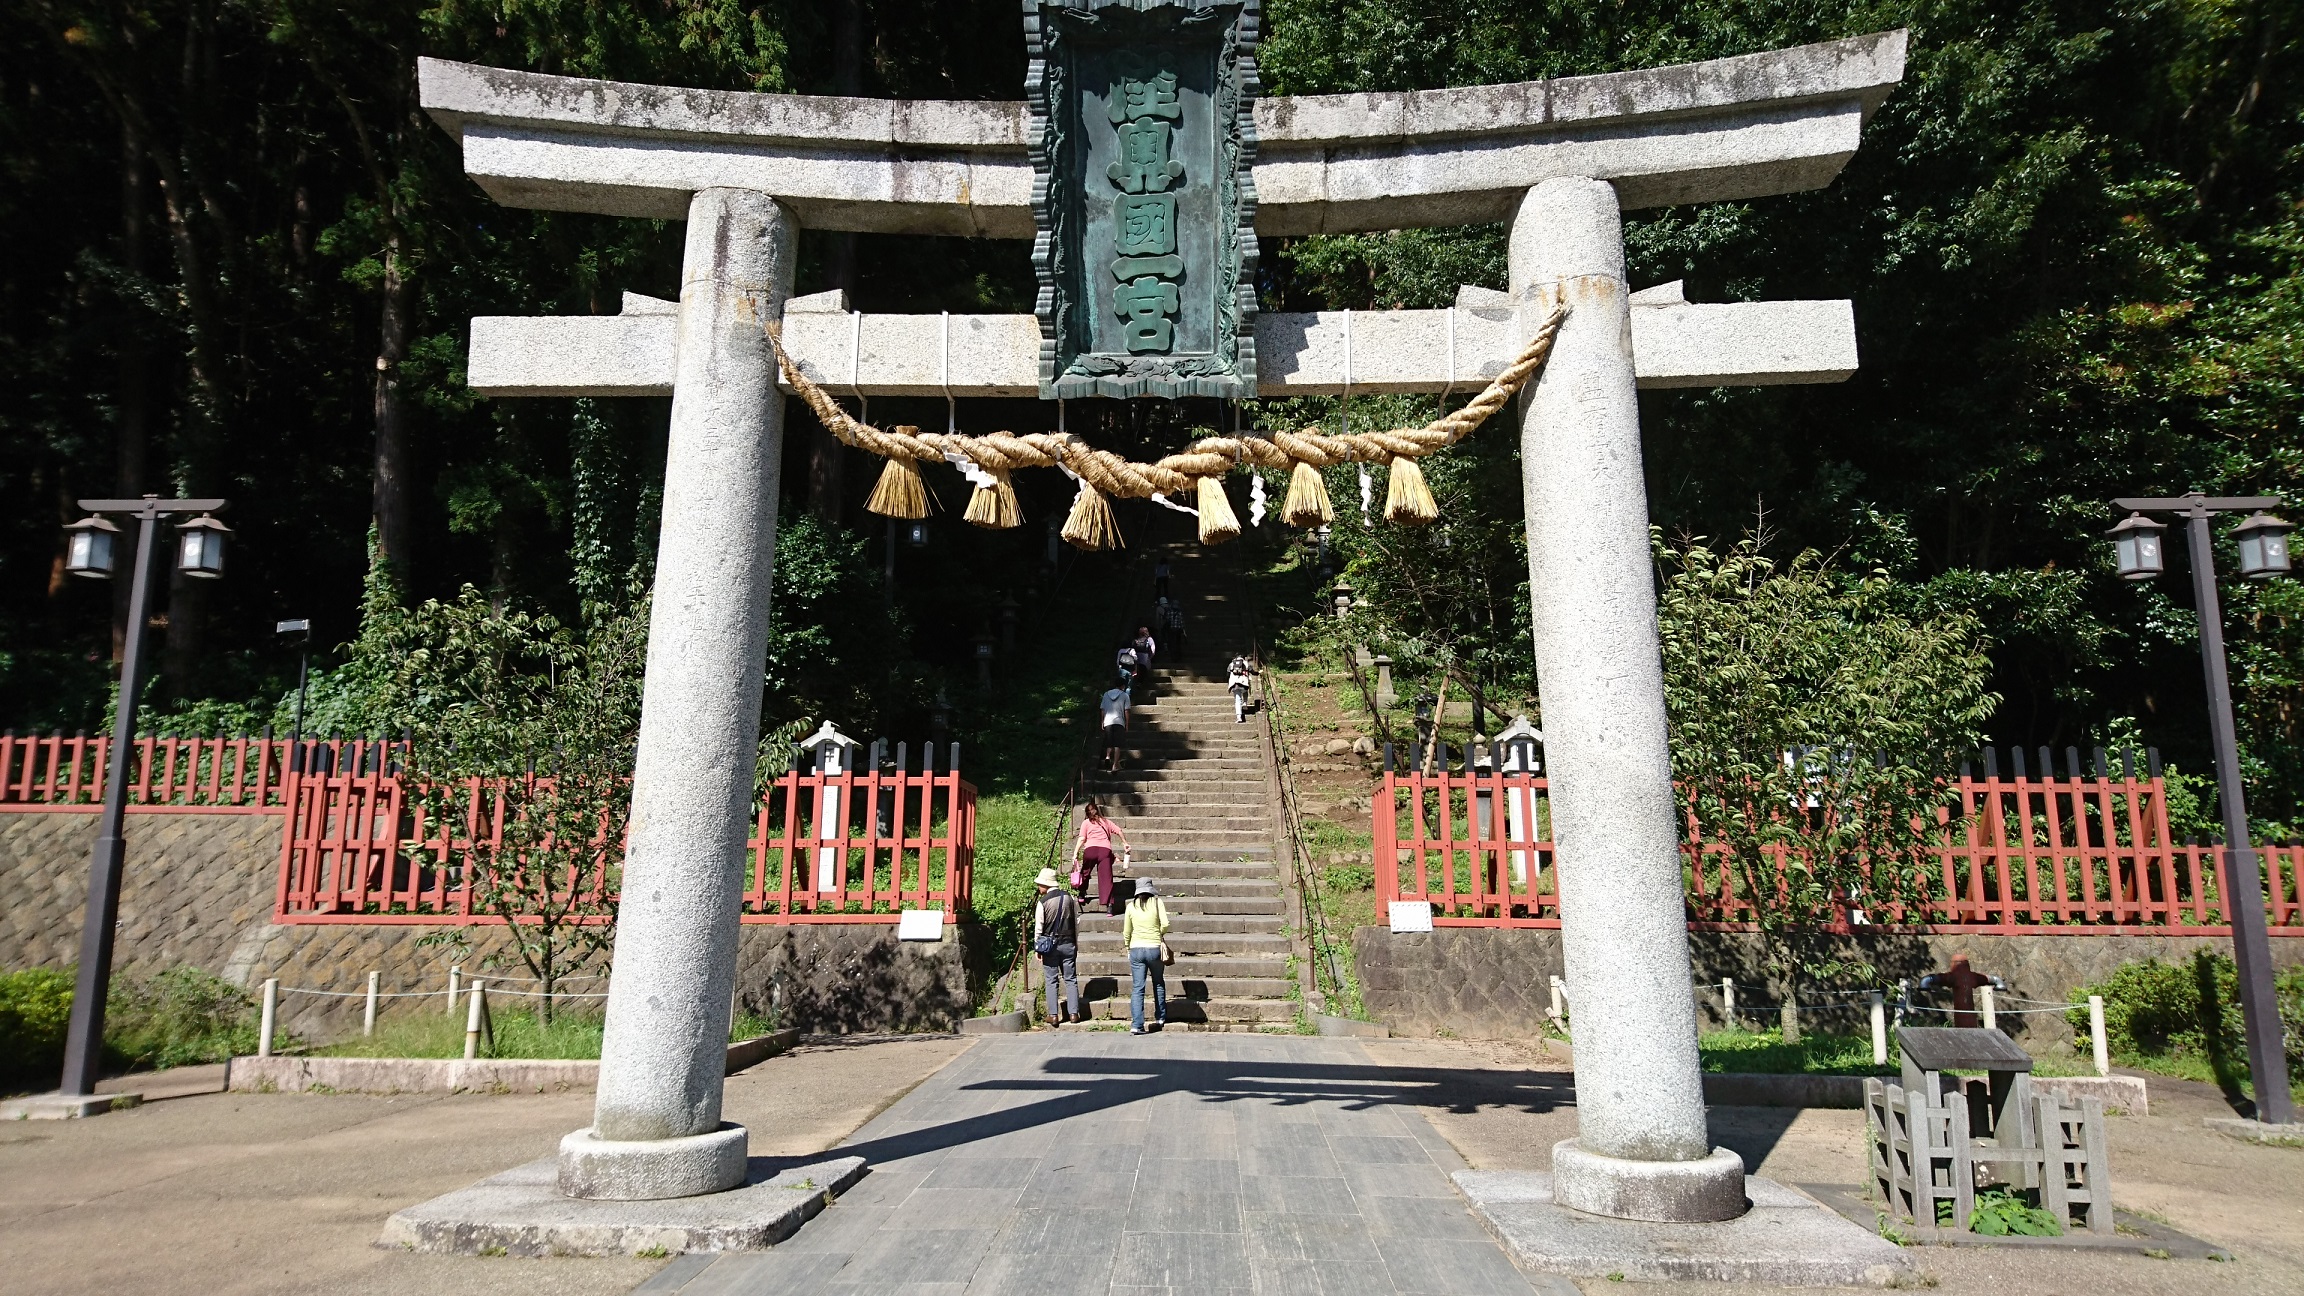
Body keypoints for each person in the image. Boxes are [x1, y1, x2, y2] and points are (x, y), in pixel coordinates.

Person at [1032, 867, 1081, 1025]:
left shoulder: (1043, 902)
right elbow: (1076, 922)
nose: (1039, 887)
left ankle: (1053, 1015)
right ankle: (1074, 1014)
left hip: (1049, 946)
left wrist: (1037, 947)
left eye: (1040, 884)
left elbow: (1038, 927)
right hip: (1068, 943)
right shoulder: (1069, 898)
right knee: (1071, 979)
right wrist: (1076, 942)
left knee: (1051, 980)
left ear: (1046, 885)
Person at [1122, 877, 1171, 1034]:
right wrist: (1159, 933)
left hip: (1136, 949)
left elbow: (1126, 931)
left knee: (1138, 987)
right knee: (1158, 982)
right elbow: (1166, 924)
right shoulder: (1157, 903)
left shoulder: (1131, 906)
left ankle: (1137, 1024)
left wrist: (1128, 947)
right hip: (1154, 948)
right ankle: (1160, 1017)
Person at [1071, 798, 1131, 912]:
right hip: (1105, 851)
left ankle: (1082, 894)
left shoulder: (1085, 823)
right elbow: (1119, 830)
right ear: (1097, 810)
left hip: (1090, 850)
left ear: (1087, 813)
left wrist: (1075, 853)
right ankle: (1109, 906)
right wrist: (1124, 842)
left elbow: (1082, 839)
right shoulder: (1106, 822)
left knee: (1085, 872)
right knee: (1106, 878)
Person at [1098, 682, 1130, 773]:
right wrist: (1127, 724)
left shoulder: (1106, 694)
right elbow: (1127, 710)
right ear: (1122, 686)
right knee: (1117, 744)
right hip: (1119, 722)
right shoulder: (1124, 695)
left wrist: (1102, 721)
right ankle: (1115, 765)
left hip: (1107, 721)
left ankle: (1108, 756)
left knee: (1109, 741)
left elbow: (1102, 709)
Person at [1227, 652, 1256, 723]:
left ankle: (1239, 717)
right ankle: (1245, 703)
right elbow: (1252, 672)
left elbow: (1227, 674)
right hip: (1244, 683)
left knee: (1237, 701)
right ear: (1243, 657)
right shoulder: (1246, 663)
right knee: (1245, 691)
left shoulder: (1231, 664)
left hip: (1235, 684)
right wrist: (1258, 673)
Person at [1131, 625, 1158, 699]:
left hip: (1135, 657)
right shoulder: (1149, 639)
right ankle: (1141, 683)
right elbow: (1153, 650)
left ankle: (1135, 685)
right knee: (1144, 671)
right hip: (1145, 657)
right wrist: (1150, 657)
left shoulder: (1136, 639)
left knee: (1137, 671)